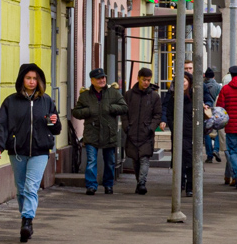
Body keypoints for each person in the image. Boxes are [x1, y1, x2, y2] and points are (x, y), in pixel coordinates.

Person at [0, 63, 60, 243]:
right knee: (21, 189)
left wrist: (54, 121)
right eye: (28, 78)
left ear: (39, 81)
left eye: (35, 78)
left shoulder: (46, 101)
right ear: (22, 80)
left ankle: (27, 221)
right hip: (17, 151)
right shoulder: (11, 102)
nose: (32, 82)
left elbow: (56, 129)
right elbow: (1, 125)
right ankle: (26, 219)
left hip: (40, 151)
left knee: (31, 187)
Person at [72, 68, 128, 195]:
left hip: (109, 133)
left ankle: (108, 185)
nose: (102, 80)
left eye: (103, 77)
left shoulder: (113, 93)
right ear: (92, 81)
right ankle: (91, 186)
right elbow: (76, 112)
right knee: (91, 161)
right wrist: (88, 111)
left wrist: (111, 108)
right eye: (98, 78)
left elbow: (124, 107)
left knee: (109, 162)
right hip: (91, 133)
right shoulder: (85, 95)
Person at [123, 67, 163, 195]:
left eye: (148, 80)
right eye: (144, 80)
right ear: (138, 78)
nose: (146, 82)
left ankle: (142, 183)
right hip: (132, 131)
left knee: (144, 158)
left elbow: (158, 114)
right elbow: (124, 112)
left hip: (146, 133)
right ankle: (139, 182)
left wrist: (151, 127)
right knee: (135, 159)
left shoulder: (154, 96)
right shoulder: (129, 95)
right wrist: (126, 126)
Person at [162, 72, 201, 196]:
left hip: (191, 133)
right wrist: (173, 126)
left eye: (184, 81)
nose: (182, 84)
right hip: (178, 133)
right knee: (179, 160)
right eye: (179, 81)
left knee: (190, 160)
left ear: (189, 82)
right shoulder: (173, 97)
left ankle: (190, 187)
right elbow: (168, 113)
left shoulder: (194, 97)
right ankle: (179, 184)